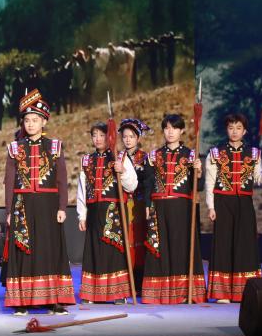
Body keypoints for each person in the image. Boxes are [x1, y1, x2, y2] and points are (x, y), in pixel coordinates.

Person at [3, 90, 74, 315]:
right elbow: (9, 182)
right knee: (23, 251)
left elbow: (62, 179)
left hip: (48, 206)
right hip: (22, 206)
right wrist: (8, 210)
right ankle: (21, 302)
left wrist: (62, 207)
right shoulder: (15, 148)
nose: (31, 124)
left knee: (50, 251)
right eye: (27, 120)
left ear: (44, 122)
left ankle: (54, 300)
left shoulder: (54, 147)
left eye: (35, 120)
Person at [205, 113, 262, 303]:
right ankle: (222, 293)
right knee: (223, 244)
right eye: (231, 128)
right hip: (223, 203)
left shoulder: (254, 154)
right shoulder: (215, 154)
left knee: (245, 244)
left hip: (244, 203)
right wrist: (211, 206)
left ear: (244, 131)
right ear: (226, 130)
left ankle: (244, 290)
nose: (234, 132)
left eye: (238, 128)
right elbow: (210, 182)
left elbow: (258, 179)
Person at [141, 113, 205, 304]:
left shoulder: (191, 155)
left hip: (181, 208)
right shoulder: (154, 156)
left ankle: (184, 293)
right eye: (167, 128)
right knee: (159, 248)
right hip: (159, 207)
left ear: (182, 131)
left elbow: (198, 187)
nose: (170, 132)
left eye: (175, 128)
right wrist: (147, 205)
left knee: (181, 247)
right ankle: (158, 294)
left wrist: (198, 173)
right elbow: (148, 183)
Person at [77, 122, 137, 304]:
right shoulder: (86, 160)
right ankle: (91, 294)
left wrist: (123, 171)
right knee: (94, 251)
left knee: (113, 251)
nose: (97, 139)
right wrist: (82, 215)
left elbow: (132, 185)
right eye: (94, 135)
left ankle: (118, 294)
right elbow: (82, 189)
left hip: (114, 211)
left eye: (102, 135)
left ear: (109, 137)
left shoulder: (120, 157)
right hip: (94, 211)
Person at [119, 118, 151, 294]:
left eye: (131, 136)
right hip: (123, 204)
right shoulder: (118, 157)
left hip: (139, 205)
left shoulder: (145, 158)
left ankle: (139, 282)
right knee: (126, 241)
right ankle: (125, 281)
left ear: (138, 138)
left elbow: (148, 183)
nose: (128, 140)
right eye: (125, 136)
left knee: (139, 241)